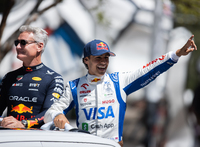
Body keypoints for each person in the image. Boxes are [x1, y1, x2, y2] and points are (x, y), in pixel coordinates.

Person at [44, 36, 197, 146]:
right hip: (85, 144)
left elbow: (149, 70)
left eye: (106, 58)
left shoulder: (119, 81)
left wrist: (176, 54)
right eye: (98, 58)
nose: (103, 62)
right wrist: (57, 115)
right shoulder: (73, 86)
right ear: (86, 60)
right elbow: (52, 111)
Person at [0, 25, 64, 129]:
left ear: (39, 46)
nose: (17, 47)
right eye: (17, 43)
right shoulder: (9, 77)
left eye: (23, 43)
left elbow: (49, 112)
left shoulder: (54, 79)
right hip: (9, 138)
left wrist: (23, 124)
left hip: (37, 139)